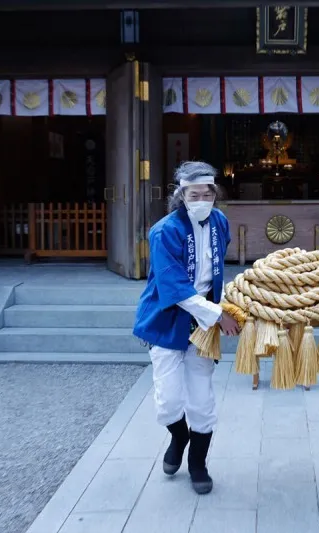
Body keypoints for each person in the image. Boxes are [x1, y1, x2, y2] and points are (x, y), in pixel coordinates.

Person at [133, 161, 240, 494]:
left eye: (208, 193)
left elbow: (215, 272)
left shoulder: (220, 222)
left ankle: (198, 463)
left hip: (203, 324)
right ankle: (179, 438)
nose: (203, 199)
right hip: (168, 319)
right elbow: (174, 284)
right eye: (195, 194)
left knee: (201, 399)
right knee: (168, 401)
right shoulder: (164, 231)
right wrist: (216, 313)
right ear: (181, 195)